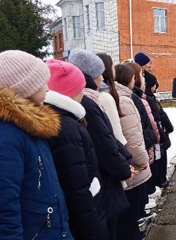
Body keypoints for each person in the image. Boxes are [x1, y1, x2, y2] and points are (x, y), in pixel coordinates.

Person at [0, 50, 72, 239]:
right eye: (41, 83)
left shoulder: (33, 125)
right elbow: (5, 207)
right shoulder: (7, 135)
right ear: (23, 88)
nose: (48, 89)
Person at [68, 50, 133, 240]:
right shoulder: (89, 105)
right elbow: (107, 141)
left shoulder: (89, 102)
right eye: (100, 72)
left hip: (103, 181)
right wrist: (125, 166)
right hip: (104, 183)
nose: (103, 76)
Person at [45, 59, 108, 239]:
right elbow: (78, 187)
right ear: (71, 91)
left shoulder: (62, 120)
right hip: (86, 219)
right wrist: (94, 231)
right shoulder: (67, 128)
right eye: (80, 87)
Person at [114, 64, 151, 240]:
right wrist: (143, 159)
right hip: (134, 164)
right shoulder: (124, 101)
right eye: (136, 77)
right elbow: (132, 135)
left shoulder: (122, 97)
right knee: (131, 209)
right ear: (130, 79)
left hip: (131, 162)